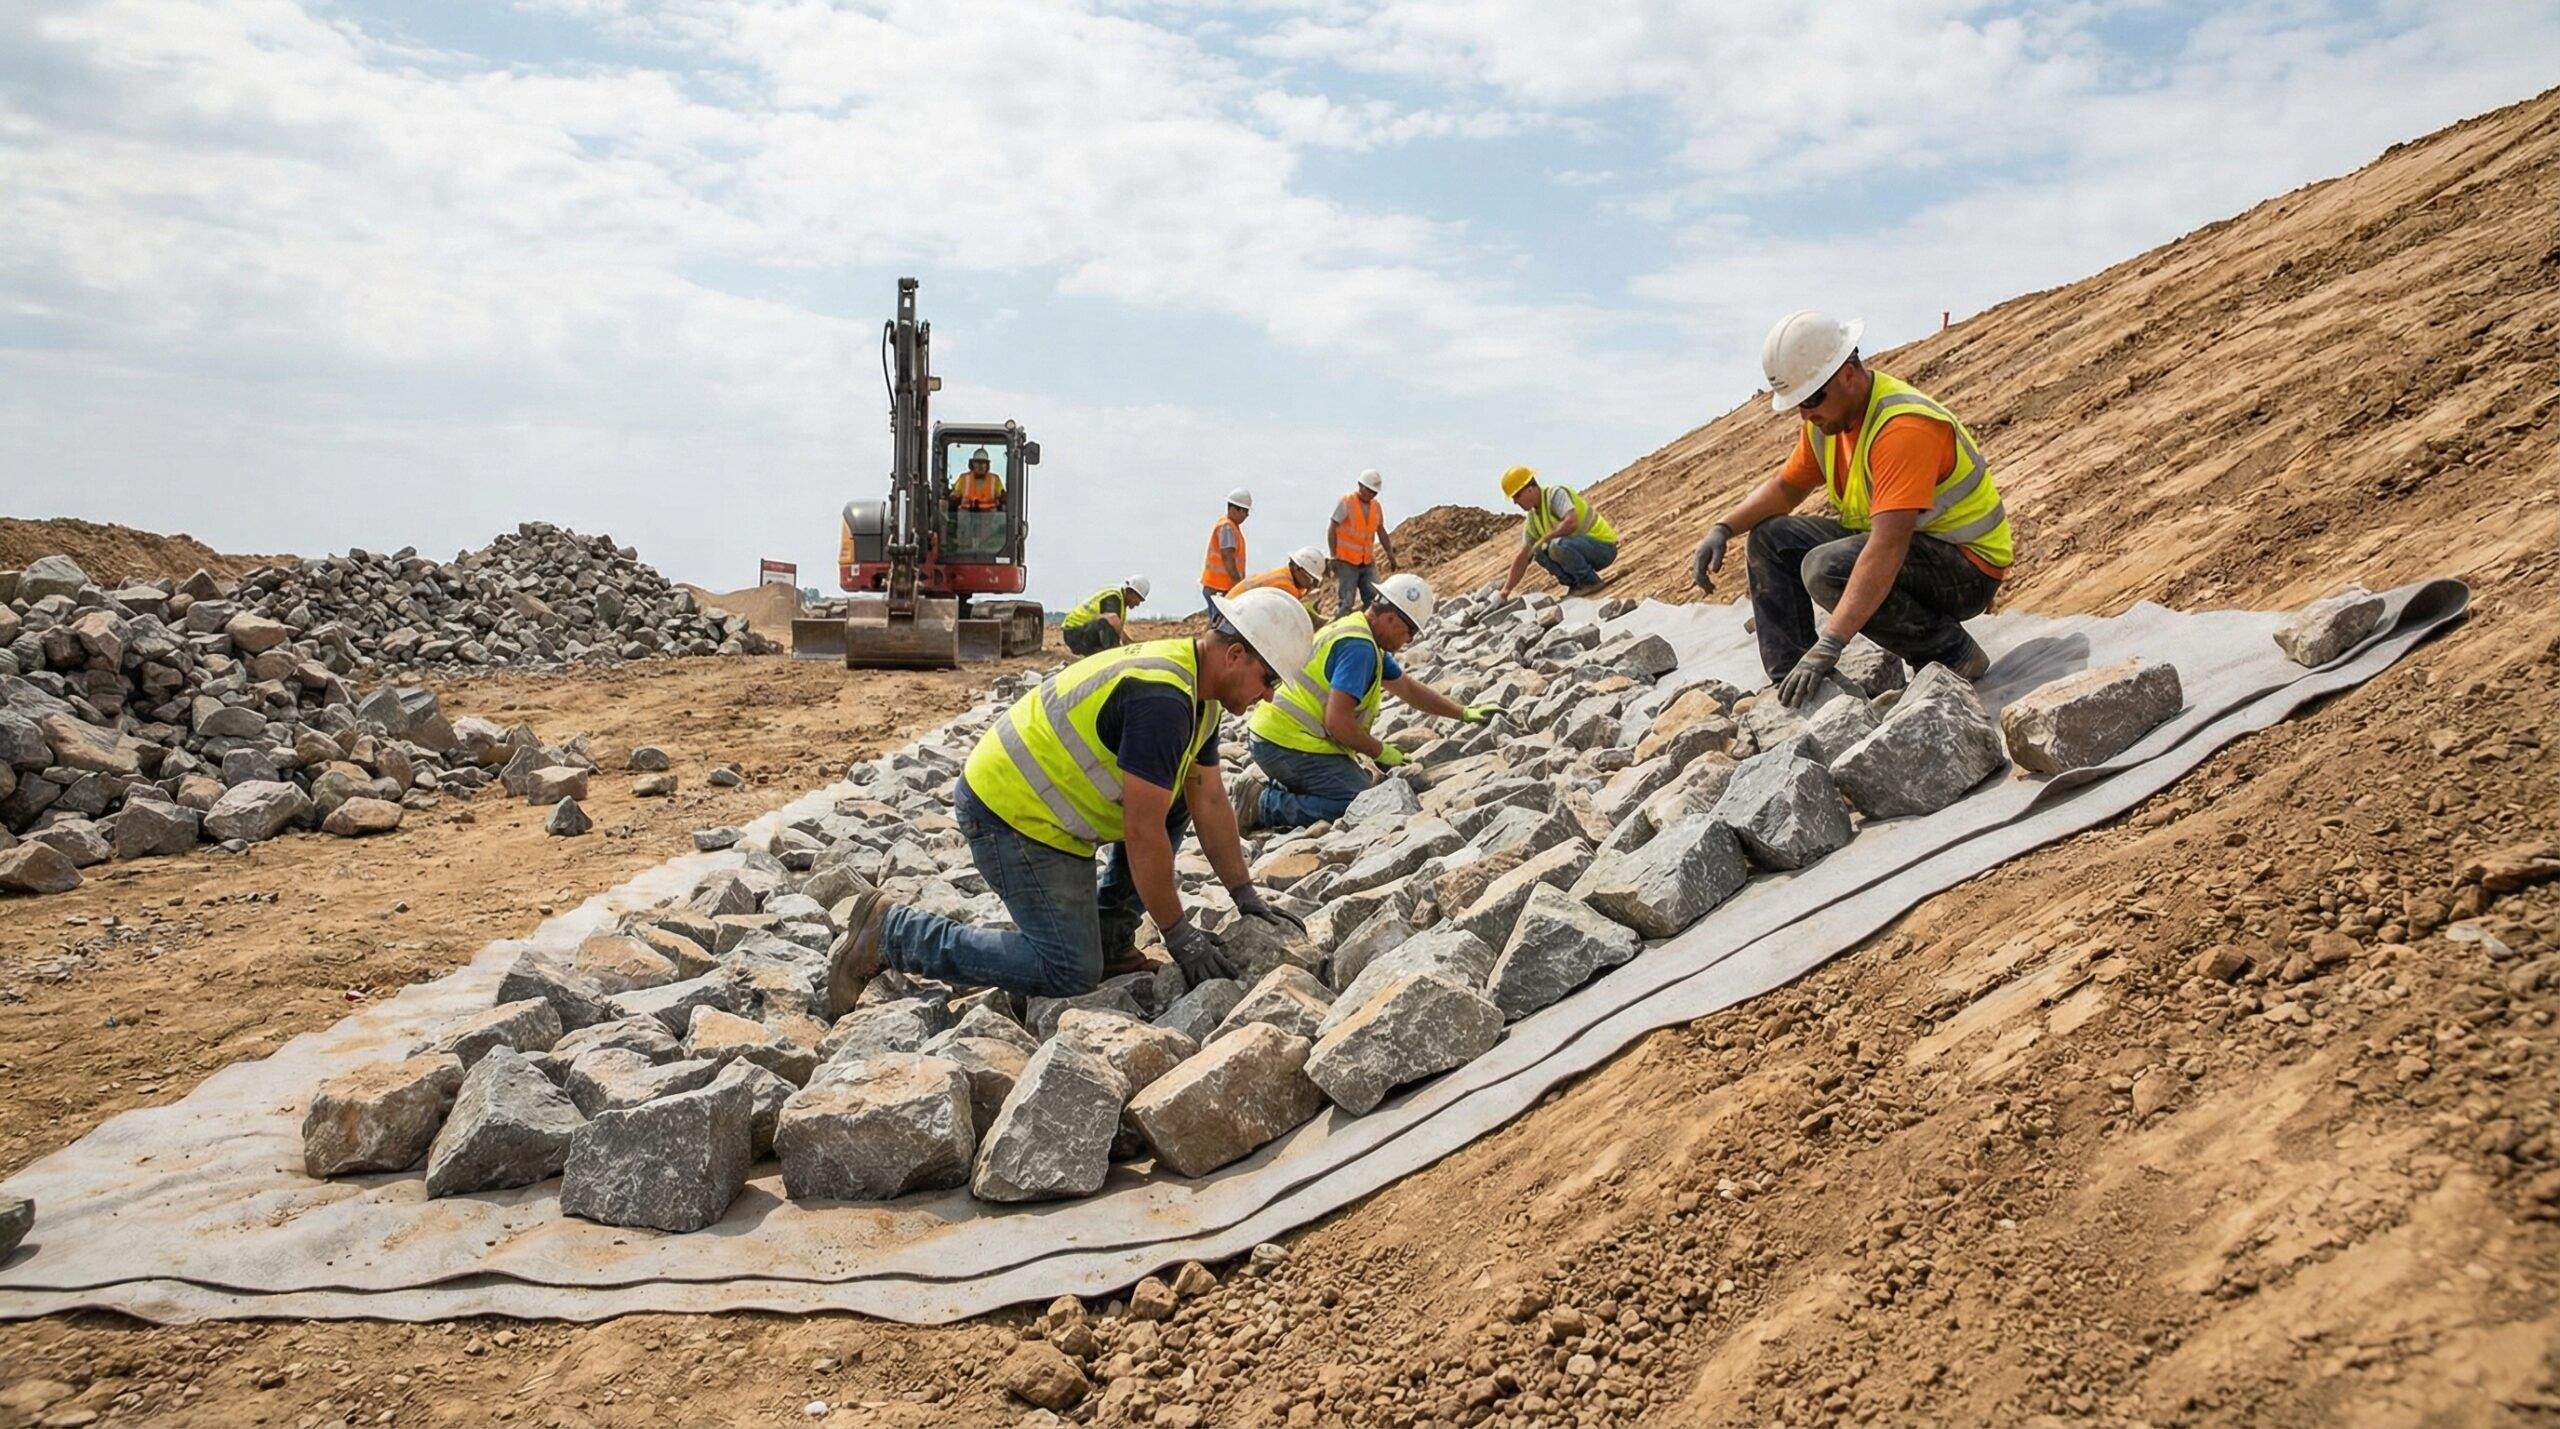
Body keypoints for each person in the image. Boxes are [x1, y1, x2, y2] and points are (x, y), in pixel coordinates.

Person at [827, 588, 1318, 1006]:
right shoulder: (1163, 700)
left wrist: (1243, 893)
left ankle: (1110, 938)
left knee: (1179, 795)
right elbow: (1142, 831)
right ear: (1235, 656)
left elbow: (1209, 798)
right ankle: (894, 932)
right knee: (1069, 971)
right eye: (1269, 679)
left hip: (1042, 804)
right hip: (1009, 815)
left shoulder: (1200, 695)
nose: (1270, 695)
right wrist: (1179, 936)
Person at [1690, 310, 2014, 706]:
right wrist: (1723, 527)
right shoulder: (1827, 424)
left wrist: (1830, 645)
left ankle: (1950, 654)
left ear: (1847, 373)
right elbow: (1786, 488)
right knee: (1771, 538)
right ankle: (1797, 687)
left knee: (1825, 568)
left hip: (1966, 570)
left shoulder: (1902, 428)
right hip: (1914, 550)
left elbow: (1886, 549)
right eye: (1797, 404)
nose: (1805, 413)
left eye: (1811, 398)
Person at [1241, 574, 1498, 831]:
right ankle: (1263, 803)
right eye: (1410, 632)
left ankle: (1278, 787)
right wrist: (1380, 751)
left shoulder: (1360, 633)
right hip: (1283, 743)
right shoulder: (1358, 649)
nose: (1409, 640)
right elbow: (1338, 723)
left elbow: (1407, 688)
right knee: (1359, 801)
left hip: (1276, 735)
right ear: (1390, 619)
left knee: (1360, 787)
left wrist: (1462, 712)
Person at [1494, 465, 1617, 598]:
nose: (1515, 502)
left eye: (1517, 496)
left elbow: (1571, 522)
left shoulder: (1555, 495)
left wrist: (1546, 538)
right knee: (1538, 552)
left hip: (1603, 548)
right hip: (1583, 553)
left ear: (1530, 488)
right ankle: (1576, 585)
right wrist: (1505, 590)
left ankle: (1590, 582)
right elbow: (1524, 556)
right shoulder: (1533, 519)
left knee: (1555, 545)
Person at [1327, 470, 1393, 614]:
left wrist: (1390, 554)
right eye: (1369, 491)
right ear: (1360, 485)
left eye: (1374, 493)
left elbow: (1381, 531)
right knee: (1346, 602)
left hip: (1367, 562)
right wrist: (1333, 556)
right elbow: (1332, 528)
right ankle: (1338, 631)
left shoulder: (1376, 507)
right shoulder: (1347, 502)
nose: (1371, 495)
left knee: (1375, 598)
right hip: (1346, 561)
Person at [1226, 546, 1328, 615]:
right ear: (1298, 569)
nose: (1311, 584)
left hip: (1233, 609)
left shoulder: (1284, 574)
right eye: (1310, 578)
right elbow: (1292, 615)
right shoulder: (1285, 586)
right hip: (1231, 614)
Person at [1061, 576, 1148, 657]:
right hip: (1074, 633)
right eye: (1138, 599)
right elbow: (1111, 618)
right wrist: (1127, 643)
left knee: (1110, 629)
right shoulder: (1114, 596)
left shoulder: (1120, 602)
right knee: (1106, 623)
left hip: (1083, 633)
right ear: (1130, 591)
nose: (1138, 603)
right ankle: (1113, 658)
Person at [1200, 488, 1252, 613]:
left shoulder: (1230, 526)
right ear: (1235, 509)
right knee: (1220, 625)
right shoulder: (1227, 527)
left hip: (1218, 586)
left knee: (1218, 621)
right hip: (1218, 587)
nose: (1247, 515)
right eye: (1245, 511)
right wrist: (1238, 585)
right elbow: (1228, 557)